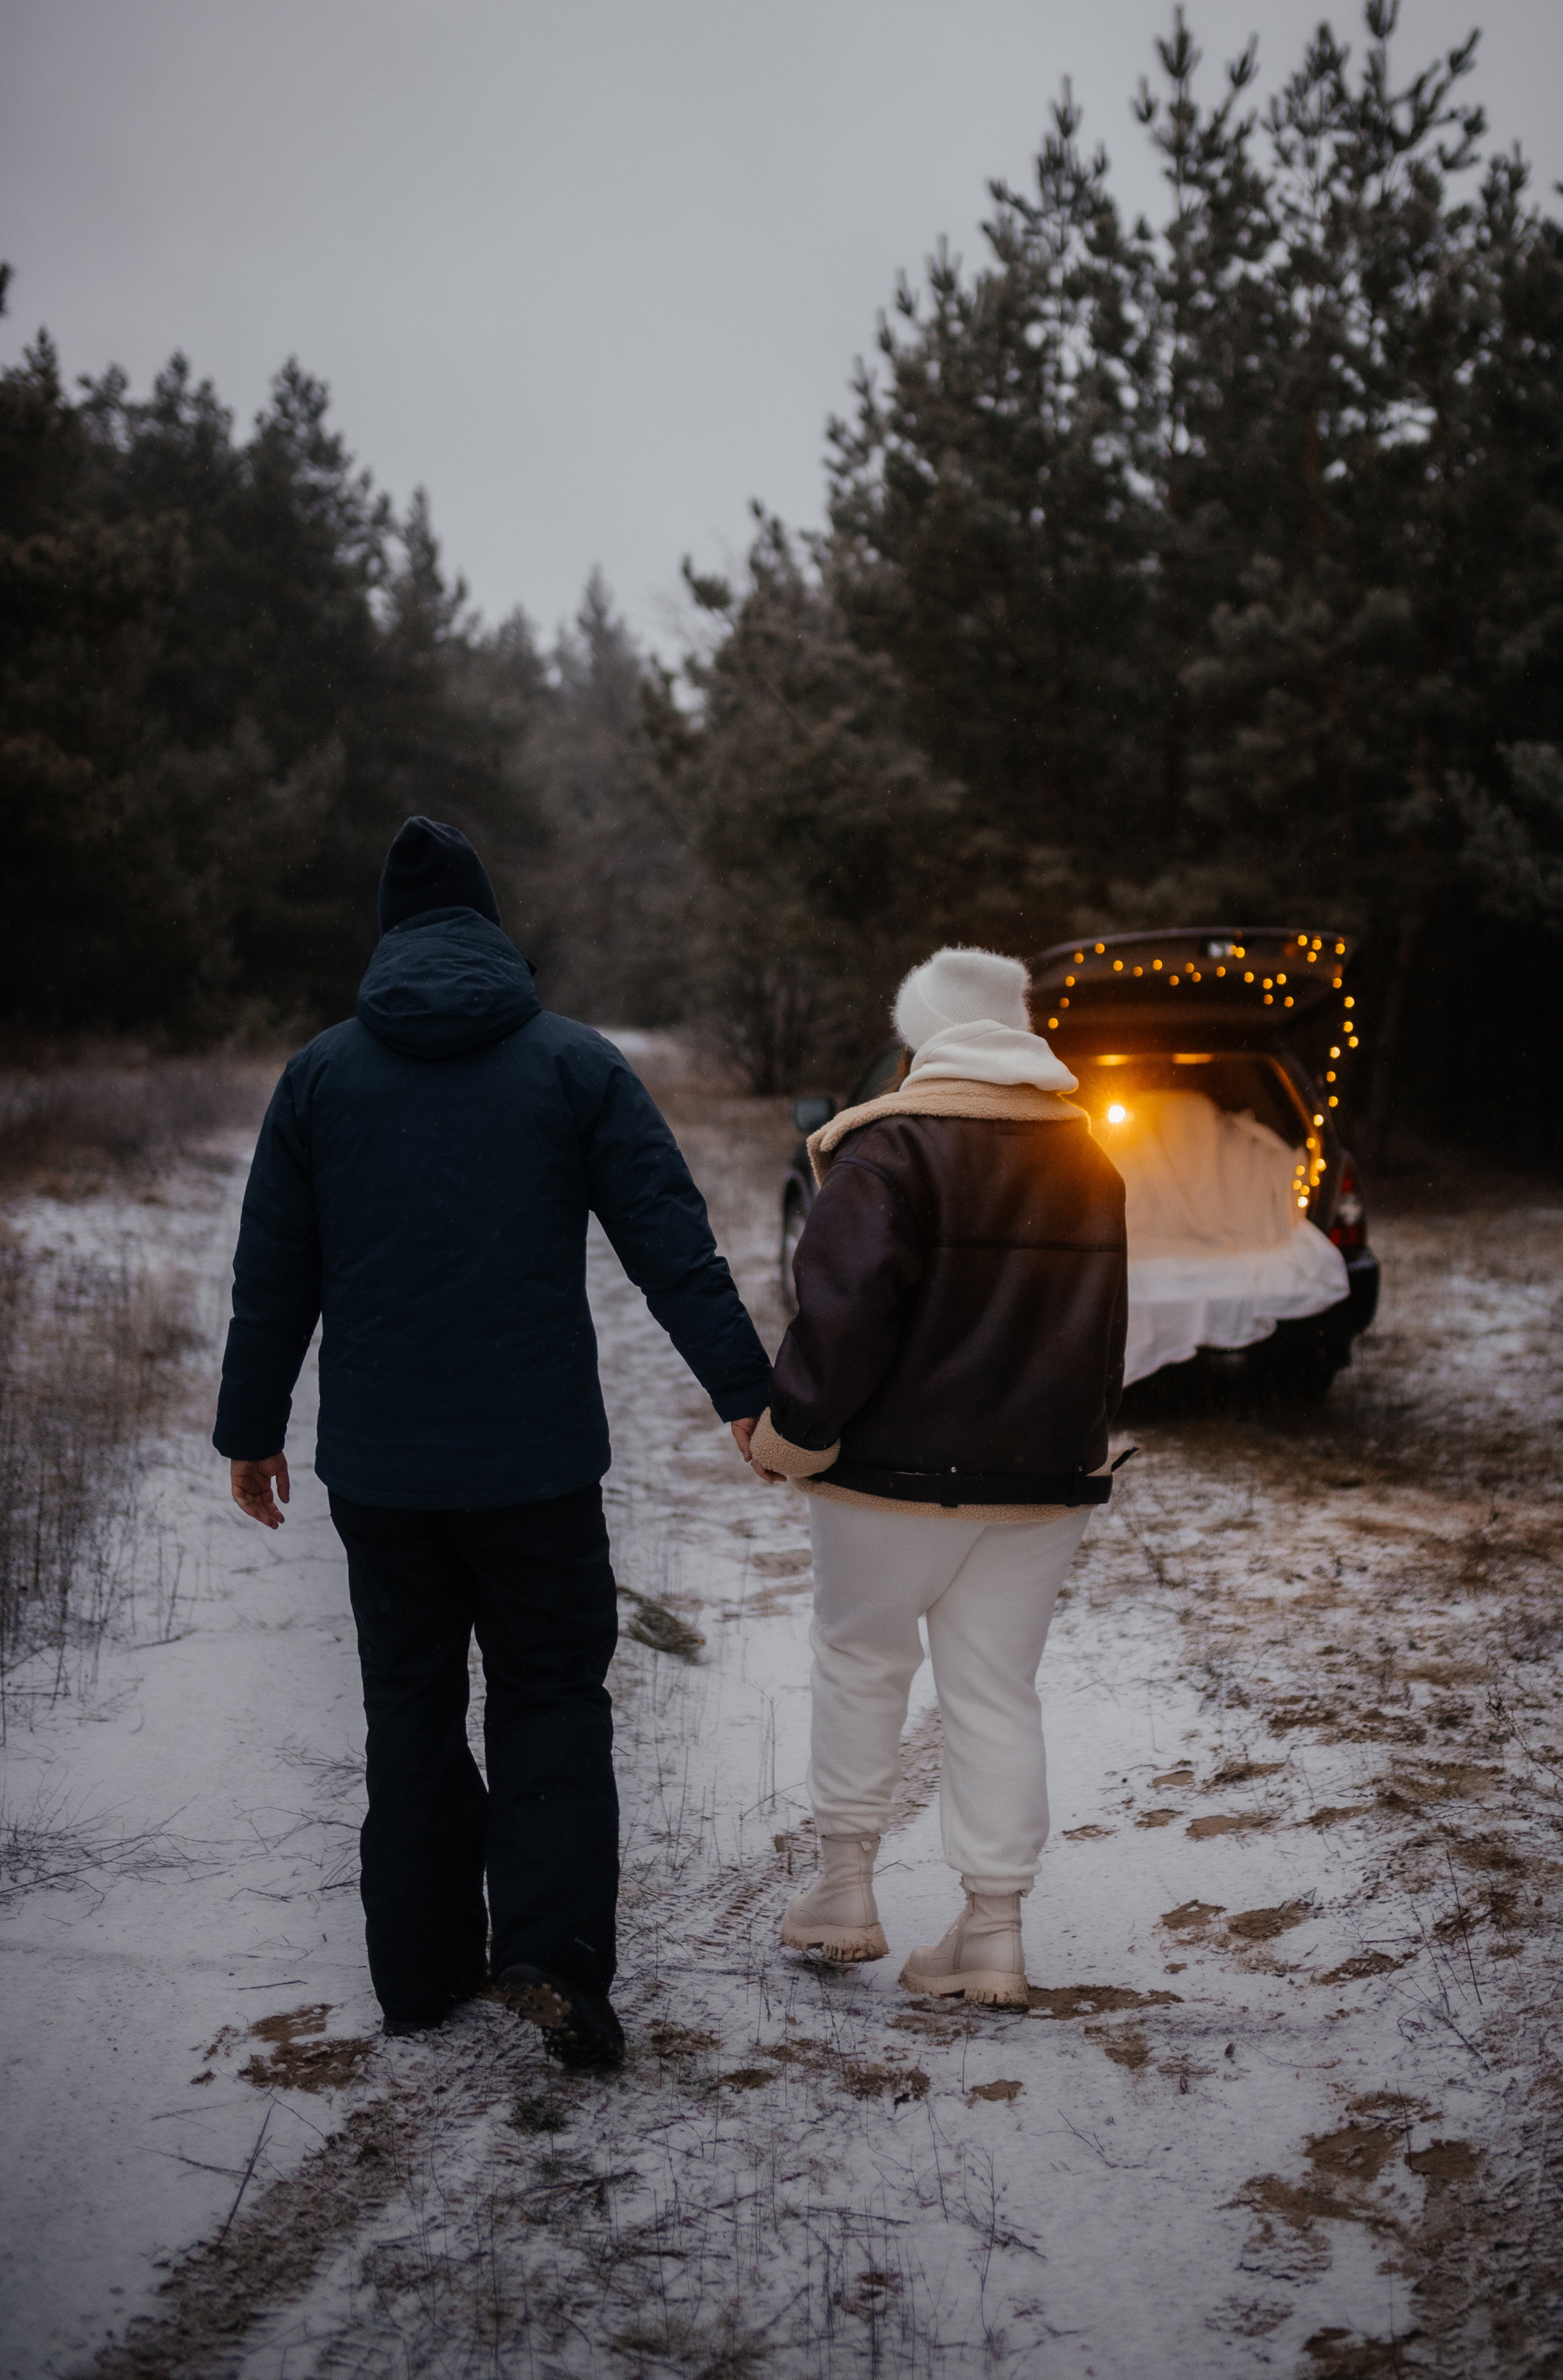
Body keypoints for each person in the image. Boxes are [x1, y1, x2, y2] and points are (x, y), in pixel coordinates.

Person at [213, 816, 770, 2066]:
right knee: (551, 1696)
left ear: (389, 936)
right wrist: (748, 1392)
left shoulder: (320, 1077)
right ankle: (552, 1954)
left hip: (386, 1478)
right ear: (490, 927)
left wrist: (250, 1432)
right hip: (536, 1471)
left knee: (408, 1705)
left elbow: (273, 1279)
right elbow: (670, 1242)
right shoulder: (575, 1067)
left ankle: (416, 1975)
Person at [745, 945, 1128, 2004]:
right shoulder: (1089, 1155)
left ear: (926, 1035)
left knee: (861, 1662)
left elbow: (841, 1317)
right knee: (996, 1693)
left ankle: (843, 1892)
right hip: (1042, 1480)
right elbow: (1105, 1335)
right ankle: (993, 1933)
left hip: (890, 1478)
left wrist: (793, 1431)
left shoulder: (888, 1151)